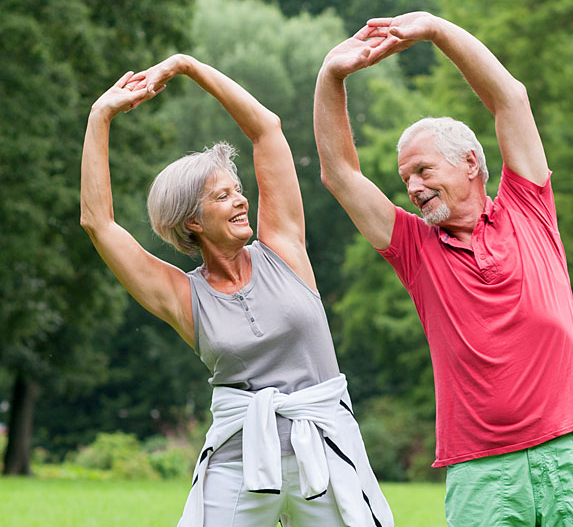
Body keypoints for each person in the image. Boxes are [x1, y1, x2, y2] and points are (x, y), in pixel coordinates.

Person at [314, 12, 573, 526]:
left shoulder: (529, 208)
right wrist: (330, 76)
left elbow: (510, 99)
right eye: (405, 176)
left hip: (570, 450)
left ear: (471, 163)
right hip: (483, 472)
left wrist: (436, 29)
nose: (412, 186)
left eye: (423, 169)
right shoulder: (416, 248)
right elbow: (339, 174)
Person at [81, 54, 392, 527]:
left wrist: (188, 67)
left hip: (326, 446)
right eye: (222, 196)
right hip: (239, 457)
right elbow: (98, 224)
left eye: (238, 188)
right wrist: (99, 116)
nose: (241, 199)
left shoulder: (284, 248)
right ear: (192, 221)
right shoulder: (183, 297)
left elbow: (266, 129)